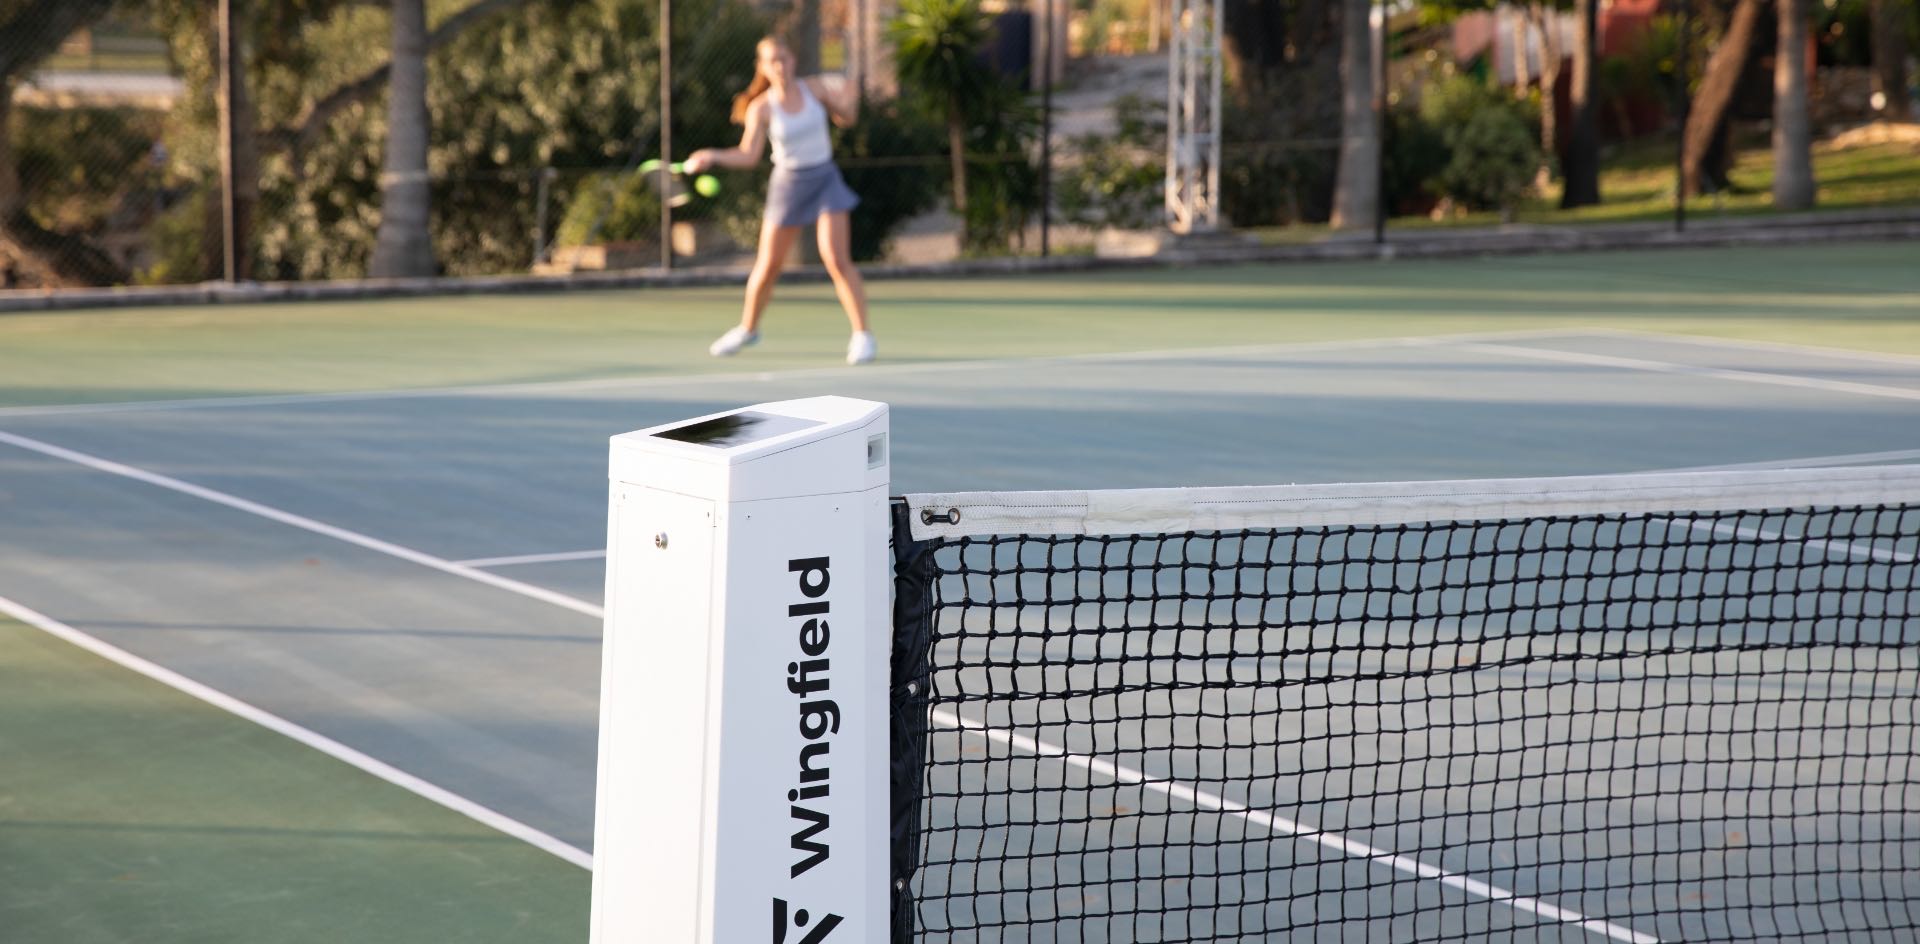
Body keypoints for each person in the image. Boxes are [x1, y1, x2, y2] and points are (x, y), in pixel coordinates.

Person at [685, 37, 875, 365]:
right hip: (788, 183)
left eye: (784, 58)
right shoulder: (762, 108)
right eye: (772, 61)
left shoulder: (814, 90)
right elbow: (748, 156)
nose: (780, 66)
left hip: (825, 178)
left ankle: (862, 335)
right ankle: (748, 328)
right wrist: (710, 155)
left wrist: (850, 98)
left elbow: (846, 119)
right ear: (763, 68)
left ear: (793, 60)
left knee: (836, 258)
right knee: (768, 265)